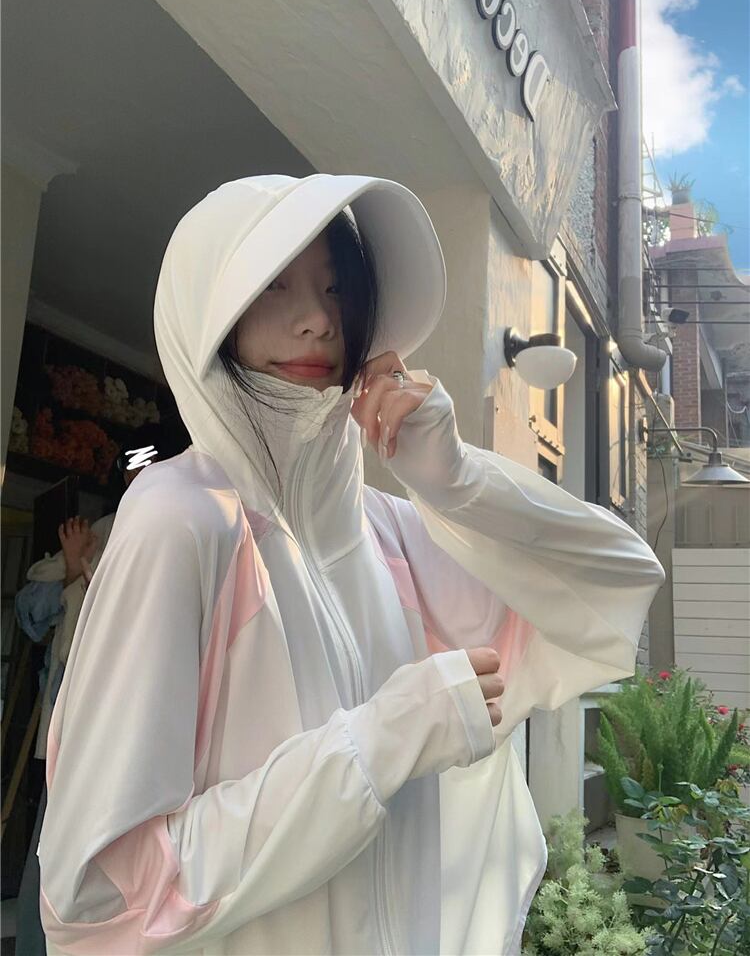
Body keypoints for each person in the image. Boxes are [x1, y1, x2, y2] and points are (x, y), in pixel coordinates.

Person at [37, 174, 665, 956]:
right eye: (275, 285)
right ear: (213, 311)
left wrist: (457, 481)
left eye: (337, 287)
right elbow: (104, 895)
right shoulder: (184, 519)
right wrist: (386, 739)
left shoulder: (388, 533)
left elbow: (616, 585)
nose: (319, 319)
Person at [13, 421, 185, 956]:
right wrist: (72, 568)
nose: (140, 474)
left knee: (134, 862)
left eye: (149, 462)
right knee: (56, 851)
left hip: (150, 722)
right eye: (132, 466)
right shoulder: (101, 532)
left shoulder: (193, 525)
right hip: (79, 718)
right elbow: (30, 615)